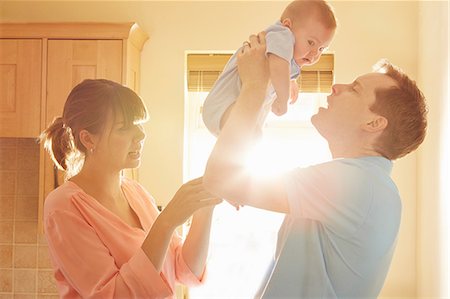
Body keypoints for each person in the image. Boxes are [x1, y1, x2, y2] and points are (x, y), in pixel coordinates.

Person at [203, 32, 427, 298]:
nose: (336, 87)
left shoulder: (356, 183)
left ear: (374, 123)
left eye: (355, 89)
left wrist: (255, 86)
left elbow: (220, 178)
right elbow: (231, 179)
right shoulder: (369, 185)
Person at [40, 79, 222, 298]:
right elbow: (113, 295)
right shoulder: (63, 206)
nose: (141, 135)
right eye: (124, 128)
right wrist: (167, 222)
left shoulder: (136, 193)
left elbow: (185, 270)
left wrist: (205, 204)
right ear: (88, 139)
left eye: (138, 124)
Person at [202, 0, 336, 137]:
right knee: (250, 136)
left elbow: (279, 66)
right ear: (288, 26)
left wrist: (290, 80)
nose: (315, 53)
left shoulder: (287, 53)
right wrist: (283, 100)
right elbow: (279, 67)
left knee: (253, 138)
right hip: (222, 106)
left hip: (231, 110)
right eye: (311, 42)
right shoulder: (281, 34)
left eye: (321, 49)